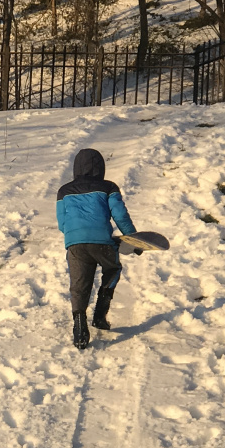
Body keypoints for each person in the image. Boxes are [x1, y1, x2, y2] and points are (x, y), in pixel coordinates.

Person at [55, 147, 136, 351]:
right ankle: (100, 315)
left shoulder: (63, 191)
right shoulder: (108, 187)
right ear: (101, 167)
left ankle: (80, 327)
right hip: (102, 242)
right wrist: (133, 238)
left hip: (75, 244)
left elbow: (61, 223)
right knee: (113, 268)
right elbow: (120, 216)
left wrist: (75, 235)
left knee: (79, 283)